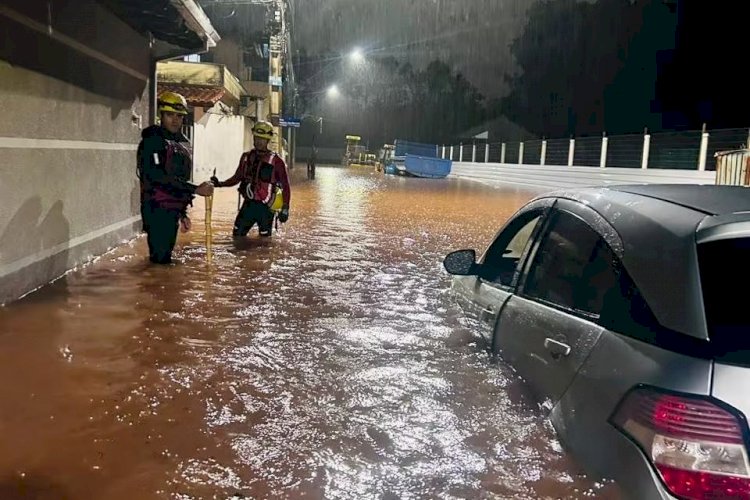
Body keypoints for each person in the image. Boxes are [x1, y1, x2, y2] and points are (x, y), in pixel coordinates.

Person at [136, 91, 214, 264]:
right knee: (160, 260)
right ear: (161, 115)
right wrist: (195, 189)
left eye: (179, 116)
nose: (175, 120)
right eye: (170, 115)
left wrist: (183, 213)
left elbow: (179, 178)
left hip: (172, 210)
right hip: (156, 209)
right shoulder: (153, 141)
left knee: (164, 259)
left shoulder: (182, 143)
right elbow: (157, 176)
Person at [211, 121, 291, 238]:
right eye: (257, 137)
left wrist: (285, 208)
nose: (258, 141)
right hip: (248, 204)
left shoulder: (277, 162)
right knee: (237, 236)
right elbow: (236, 178)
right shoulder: (246, 157)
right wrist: (220, 184)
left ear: (268, 140)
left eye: (262, 139)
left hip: (266, 209)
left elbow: (286, 186)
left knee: (264, 243)